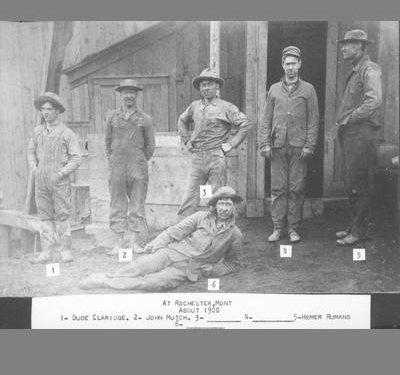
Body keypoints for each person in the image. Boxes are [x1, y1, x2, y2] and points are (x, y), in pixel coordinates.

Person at [80, 186, 243, 291]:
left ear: (234, 207)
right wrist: (155, 244)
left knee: (153, 283)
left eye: (228, 204)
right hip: (170, 253)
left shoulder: (235, 234)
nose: (224, 208)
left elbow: (234, 264)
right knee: (140, 266)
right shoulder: (200, 217)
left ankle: (105, 283)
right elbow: (173, 232)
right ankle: (106, 277)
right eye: (221, 203)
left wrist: (214, 270)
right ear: (215, 205)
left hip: (187, 269)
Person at [259, 46, 319, 243]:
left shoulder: (308, 89)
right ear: (282, 65)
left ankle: (293, 228)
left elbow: (314, 120)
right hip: (277, 146)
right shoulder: (274, 89)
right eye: (287, 64)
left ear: (300, 64)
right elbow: (266, 118)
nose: (290, 67)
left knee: (296, 189)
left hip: (298, 147)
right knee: (277, 188)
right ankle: (277, 228)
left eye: (294, 63)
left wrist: (309, 145)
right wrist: (264, 143)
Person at [177, 68, 252, 217]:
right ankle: (182, 233)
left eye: (209, 84)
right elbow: (182, 120)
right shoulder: (195, 106)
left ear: (217, 86)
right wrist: (186, 140)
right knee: (191, 196)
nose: (205, 88)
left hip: (216, 158)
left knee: (215, 197)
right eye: (203, 85)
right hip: (197, 158)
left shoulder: (226, 107)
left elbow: (246, 123)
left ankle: (216, 232)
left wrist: (231, 144)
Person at [335, 30, 382, 246]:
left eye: (348, 44)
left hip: (362, 133)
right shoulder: (357, 69)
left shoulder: (369, 69)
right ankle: (355, 225)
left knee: (360, 182)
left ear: (361, 46)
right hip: (353, 134)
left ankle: (360, 231)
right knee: (352, 181)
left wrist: (349, 119)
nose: (343, 48)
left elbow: (374, 101)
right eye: (343, 44)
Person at [27, 92, 82, 263]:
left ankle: (65, 250)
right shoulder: (37, 132)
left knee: (63, 215)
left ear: (57, 111)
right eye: (43, 109)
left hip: (59, 181)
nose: (46, 112)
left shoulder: (67, 133)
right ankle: (46, 252)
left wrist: (61, 173)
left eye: (49, 109)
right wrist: (34, 168)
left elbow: (77, 158)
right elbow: (30, 152)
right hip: (41, 181)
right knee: (45, 216)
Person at [105, 79, 155, 255]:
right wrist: (113, 161)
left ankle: (133, 243)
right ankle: (118, 243)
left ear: (136, 95)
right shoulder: (112, 117)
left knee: (136, 205)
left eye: (132, 92)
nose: (128, 96)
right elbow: (107, 142)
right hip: (117, 167)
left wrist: (139, 161)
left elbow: (150, 146)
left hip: (137, 168)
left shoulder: (145, 119)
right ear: (120, 95)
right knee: (117, 204)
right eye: (125, 92)